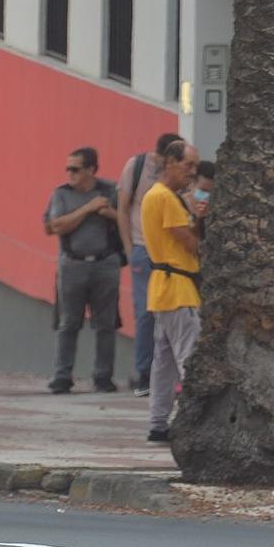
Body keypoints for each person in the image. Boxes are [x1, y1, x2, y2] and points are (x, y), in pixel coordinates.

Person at [44, 147, 124, 395]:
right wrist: (88, 209)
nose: (70, 173)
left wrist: (108, 211)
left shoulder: (110, 191)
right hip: (72, 264)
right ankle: (62, 375)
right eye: (68, 168)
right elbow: (54, 226)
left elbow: (129, 220)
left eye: (75, 169)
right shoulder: (62, 194)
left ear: (91, 169)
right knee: (68, 322)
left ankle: (103, 376)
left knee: (106, 323)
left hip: (105, 264)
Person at [144, 140, 203, 442]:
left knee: (164, 362)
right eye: (188, 165)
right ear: (169, 162)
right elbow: (190, 242)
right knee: (187, 358)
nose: (192, 173)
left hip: (164, 287)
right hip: (178, 288)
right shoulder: (165, 198)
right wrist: (199, 216)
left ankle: (158, 421)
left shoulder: (160, 196)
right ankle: (194, 421)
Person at [117, 133, 183, 396]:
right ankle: (144, 373)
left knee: (176, 313)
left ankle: (172, 375)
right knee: (145, 314)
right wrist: (128, 248)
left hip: (172, 254)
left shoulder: (179, 174)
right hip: (143, 250)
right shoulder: (136, 166)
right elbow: (122, 207)